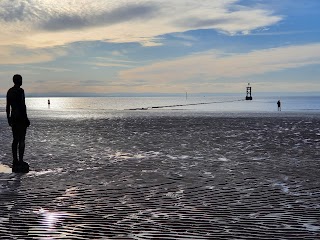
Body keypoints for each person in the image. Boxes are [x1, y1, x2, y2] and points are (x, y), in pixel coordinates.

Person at [6, 74, 30, 171]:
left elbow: (8, 107)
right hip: (20, 117)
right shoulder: (20, 91)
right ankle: (20, 160)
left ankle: (15, 160)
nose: (22, 81)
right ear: (18, 81)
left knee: (15, 139)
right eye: (21, 80)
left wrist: (8, 118)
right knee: (21, 139)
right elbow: (22, 105)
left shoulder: (10, 91)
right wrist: (26, 118)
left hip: (14, 117)